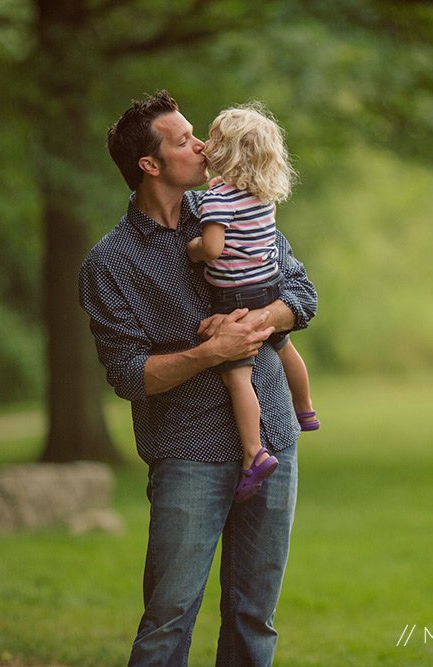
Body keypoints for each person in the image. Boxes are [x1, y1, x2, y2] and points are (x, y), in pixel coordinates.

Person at [78, 90, 317, 666]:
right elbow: (131, 376)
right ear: (150, 165)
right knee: (167, 620)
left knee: (253, 618)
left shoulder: (237, 202)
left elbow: (302, 295)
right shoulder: (108, 265)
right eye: (185, 140)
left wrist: (258, 320)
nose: (203, 146)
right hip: (188, 454)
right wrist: (214, 352)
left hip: (274, 441)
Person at [186, 103, 318, 503]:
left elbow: (213, 247)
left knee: (237, 376)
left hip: (233, 298)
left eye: (211, 138)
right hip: (269, 288)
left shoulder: (216, 201)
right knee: (284, 346)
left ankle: (252, 452)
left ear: (226, 151)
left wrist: (193, 249)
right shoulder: (263, 198)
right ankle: (306, 407)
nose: (204, 145)